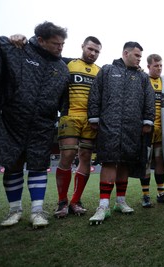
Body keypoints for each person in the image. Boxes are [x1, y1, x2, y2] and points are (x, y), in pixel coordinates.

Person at [0, 21, 69, 228]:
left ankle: (37, 211)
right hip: (13, 120)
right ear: (41, 40)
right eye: (56, 44)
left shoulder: (62, 68)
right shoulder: (20, 50)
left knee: (38, 165)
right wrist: (12, 38)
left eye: (62, 44)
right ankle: (14, 210)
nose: (60, 48)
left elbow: (64, 100)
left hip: (43, 124)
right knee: (13, 164)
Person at [87, 41, 155, 224]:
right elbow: (95, 94)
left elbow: (150, 99)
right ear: (126, 53)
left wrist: (148, 120)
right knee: (109, 161)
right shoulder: (107, 70)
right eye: (137, 56)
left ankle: (120, 201)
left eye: (141, 56)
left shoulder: (142, 77)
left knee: (125, 162)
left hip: (133, 127)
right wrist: (94, 117)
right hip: (109, 125)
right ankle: (103, 205)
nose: (140, 59)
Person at [53, 36, 102, 218]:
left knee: (86, 157)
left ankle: (75, 201)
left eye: (97, 51)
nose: (93, 53)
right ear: (82, 46)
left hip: (90, 120)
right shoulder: (67, 63)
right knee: (67, 155)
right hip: (70, 115)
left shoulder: (100, 71)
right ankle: (62, 202)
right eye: (90, 49)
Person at [139, 54, 164, 207]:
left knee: (160, 160)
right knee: (146, 161)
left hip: (162, 130)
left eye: (161, 65)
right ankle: (145, 195)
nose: (159, 68)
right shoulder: (142, 80)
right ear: (148, 66)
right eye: (156, 66)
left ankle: (161, 193)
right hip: (146, 129)